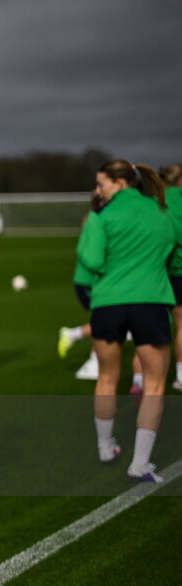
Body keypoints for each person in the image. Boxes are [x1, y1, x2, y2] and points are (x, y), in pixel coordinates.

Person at [78, 159, 174, 482]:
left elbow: (91, 260)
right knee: (155, 384)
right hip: (151, 301)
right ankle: (140, 463)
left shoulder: (99, 215)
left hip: (107, 303)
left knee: (106, 378)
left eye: (100, 183)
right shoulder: (161, 211)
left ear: (119, 183)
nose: (97, 190)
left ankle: (105, 447)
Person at [58, 192, 103, 380]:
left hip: (90, 280)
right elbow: (87, 254)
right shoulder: (96, 219)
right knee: (106, 322)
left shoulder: (95, 218)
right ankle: (93, 362)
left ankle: (76, 337)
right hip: (89, 281)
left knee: (108, 322)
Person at [159, 163, 182, 391]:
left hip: (156, 272)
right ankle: (181, 376)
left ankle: (142, 380)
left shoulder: (155, 201)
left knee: (151, 328)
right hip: (180, 270)